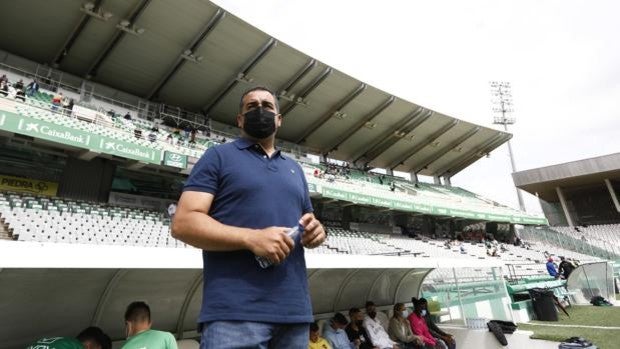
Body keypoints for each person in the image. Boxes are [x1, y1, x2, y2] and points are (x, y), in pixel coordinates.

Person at [171, 86, 326, 348]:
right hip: (235, 315)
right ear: (240, 119)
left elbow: (308, 221)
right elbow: (183, 223)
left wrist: (316, 233)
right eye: (251, 106)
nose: (260, 109)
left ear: (279, 119)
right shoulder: (218, 156)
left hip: (294, 314)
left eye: (267, 106)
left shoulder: (295, 169)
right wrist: (250, 238)